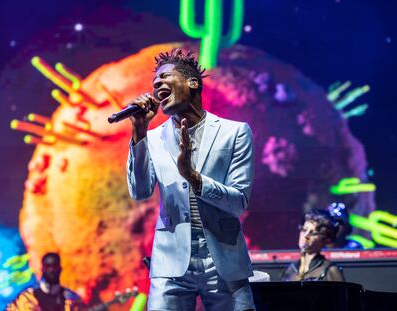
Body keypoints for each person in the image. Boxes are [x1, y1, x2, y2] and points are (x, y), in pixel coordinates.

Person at [126, 49, 256, 310]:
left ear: (193, 83)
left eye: (166, 77)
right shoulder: (152, 138)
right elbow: (140, 192)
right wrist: (139, 132)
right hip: (170, 262)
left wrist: (194, 178)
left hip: (223, 259)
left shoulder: (234, 132)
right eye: (155, 83)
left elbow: (239, 202)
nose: (157, 84)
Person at [281, 209, 345, 282]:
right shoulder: (290, 269)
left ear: (325, 239)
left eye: (312, 233)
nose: (305, 236)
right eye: (304, 230)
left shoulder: (330, 270)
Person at [7, 252, 81, 311]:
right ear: (42, 269)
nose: (51, 270)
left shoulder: (72, 300)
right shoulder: (26, 298)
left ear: (60, 269)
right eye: (48, 266)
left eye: (54, 266)